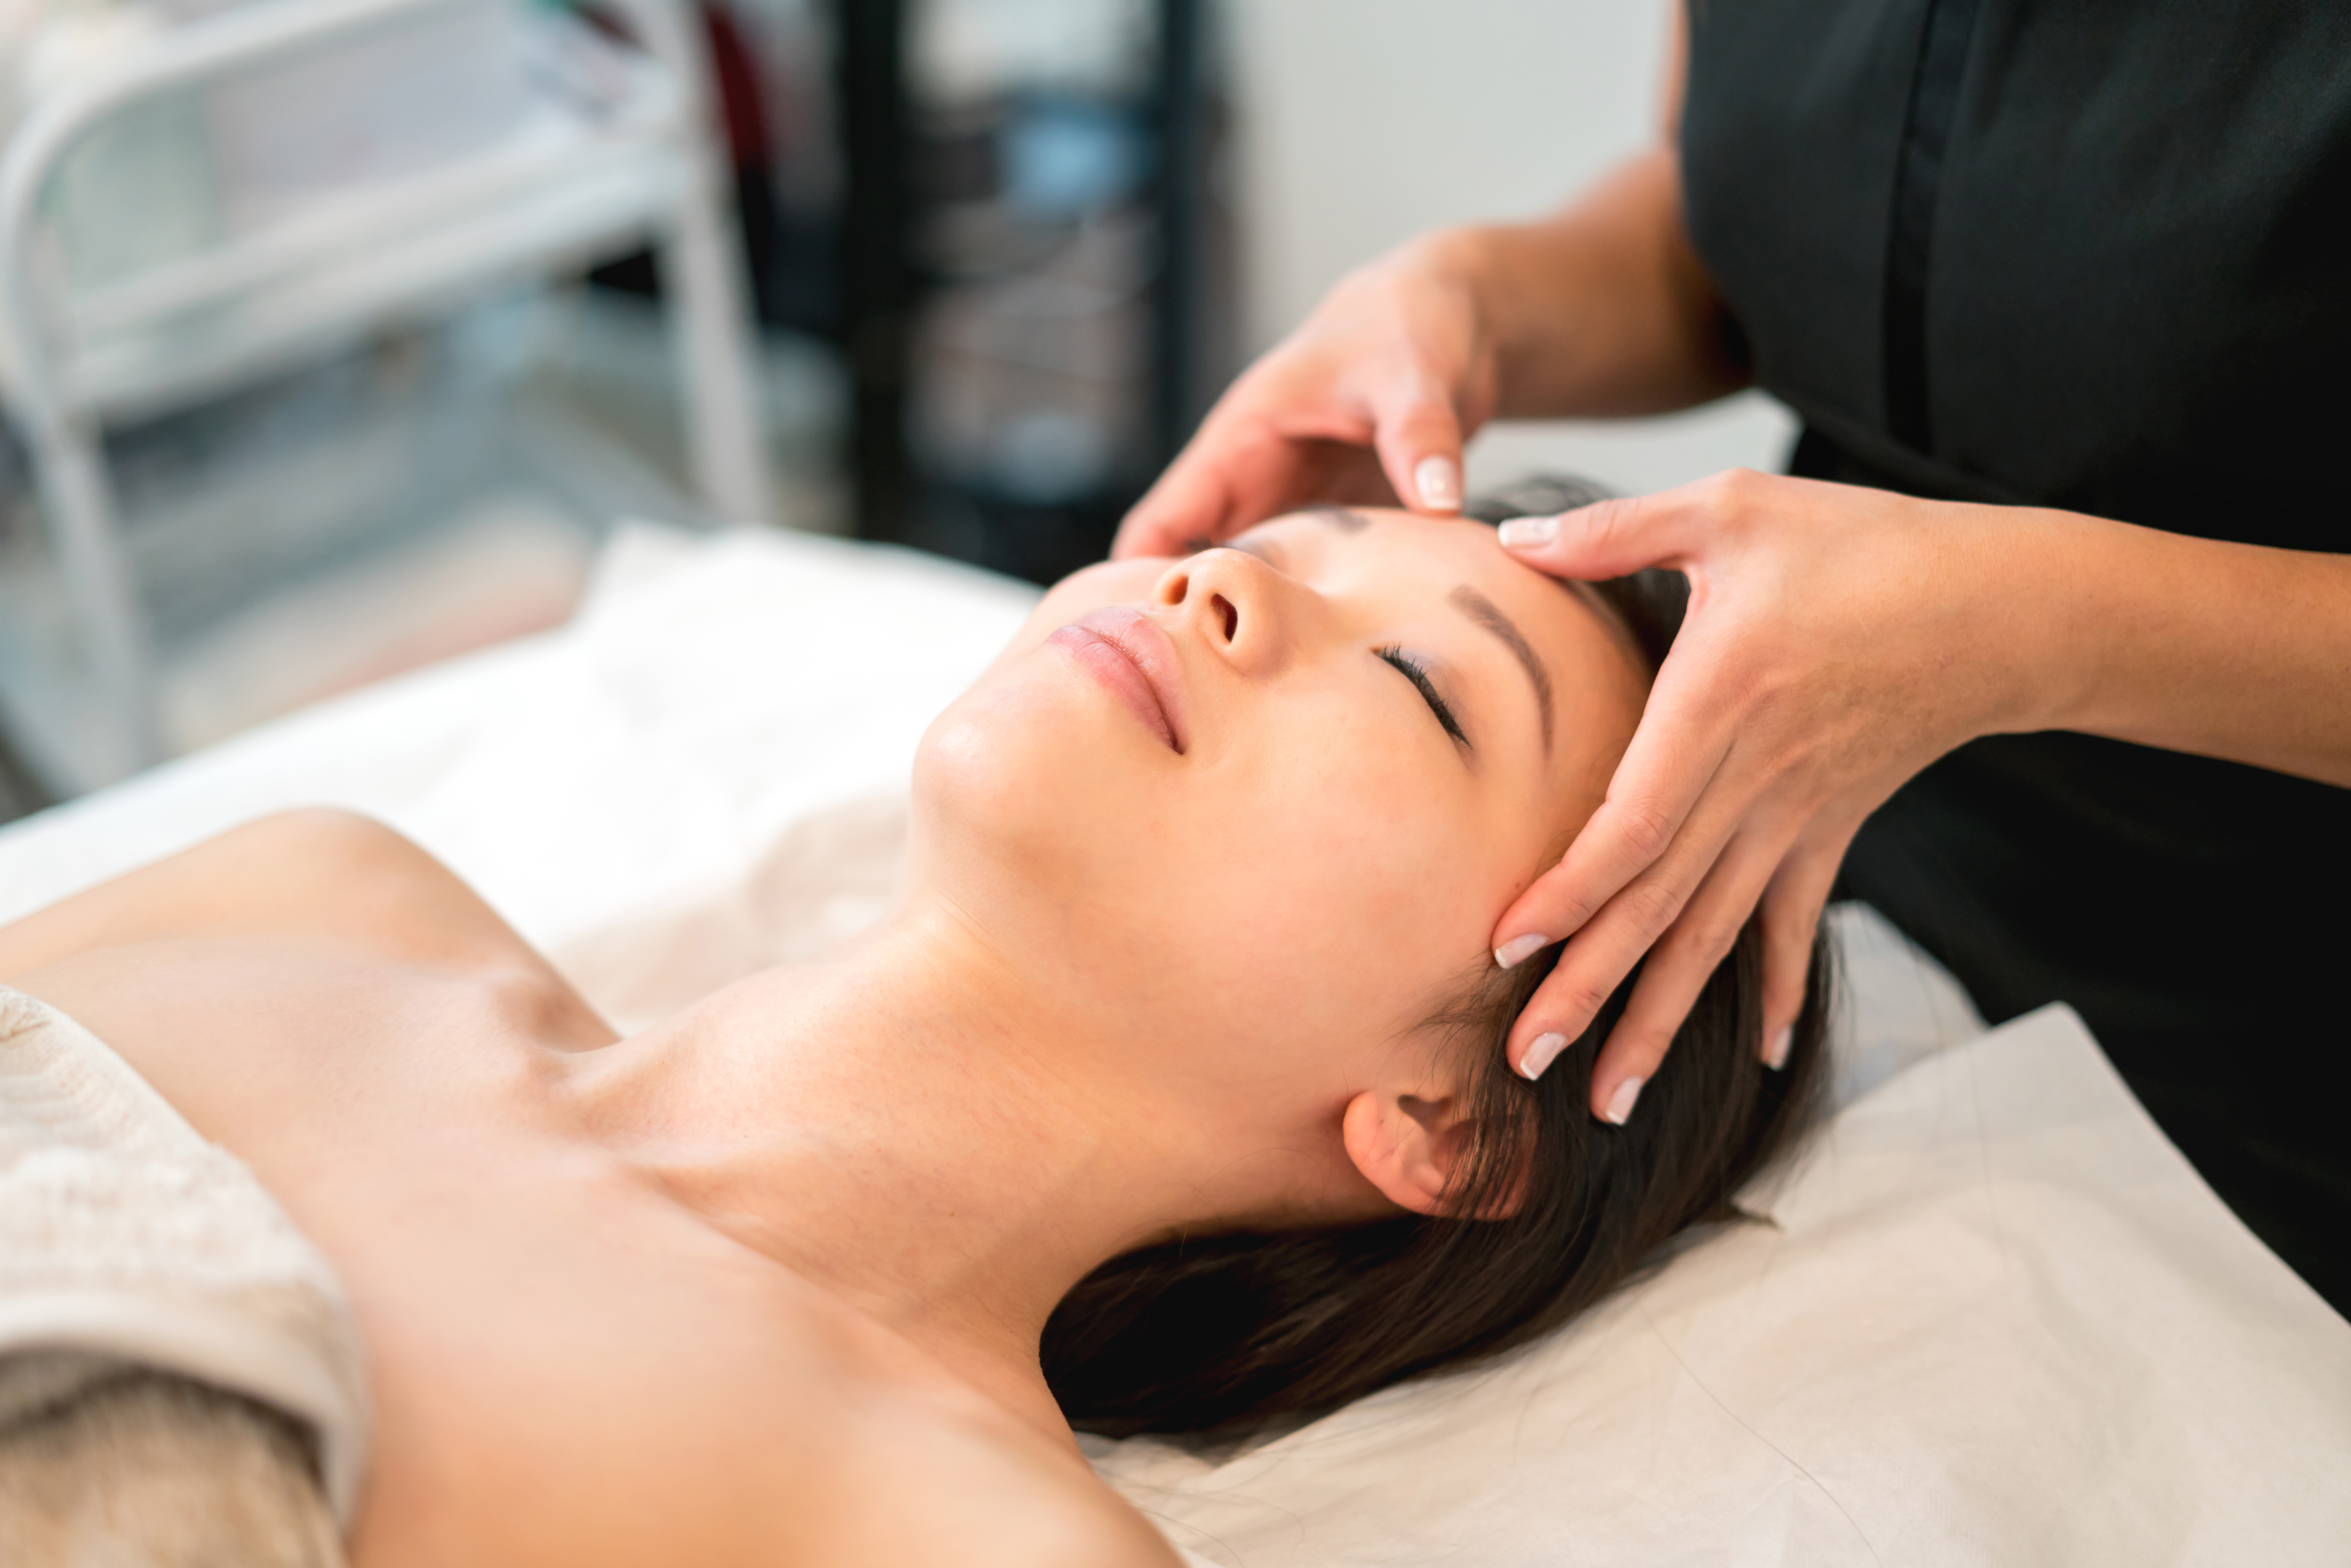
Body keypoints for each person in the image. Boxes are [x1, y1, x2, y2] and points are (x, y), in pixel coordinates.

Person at [0, 505, 1826, 1561]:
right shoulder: (325, 893)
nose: (1224, 585)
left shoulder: (966, 1530)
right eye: (1282, 535)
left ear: (1459, 1123)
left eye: (1423, 687)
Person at [1114, 2, 2351, 1311]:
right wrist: (1467, 302)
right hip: (1815, 867)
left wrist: (2027, 624)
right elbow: (1752, 229)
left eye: (1426, 692)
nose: (1224, 587)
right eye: (1312, 539)